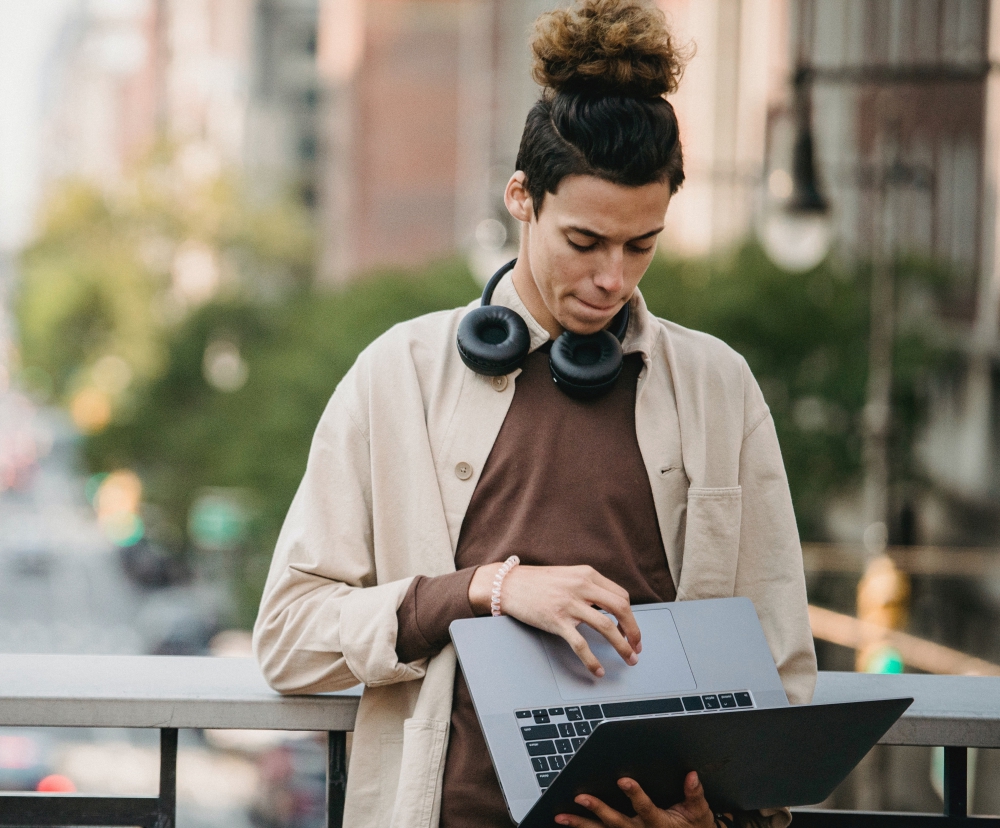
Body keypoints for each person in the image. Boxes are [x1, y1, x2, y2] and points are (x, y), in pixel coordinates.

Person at [253, 1, 817, 827]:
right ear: (522, 197)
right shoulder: (396, 376)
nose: (612, 280)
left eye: (642, 244)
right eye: (585, 242)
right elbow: (290, 639)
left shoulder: (719, 388)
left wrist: (722, 815)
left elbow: (779, 667)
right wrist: (489, 590)